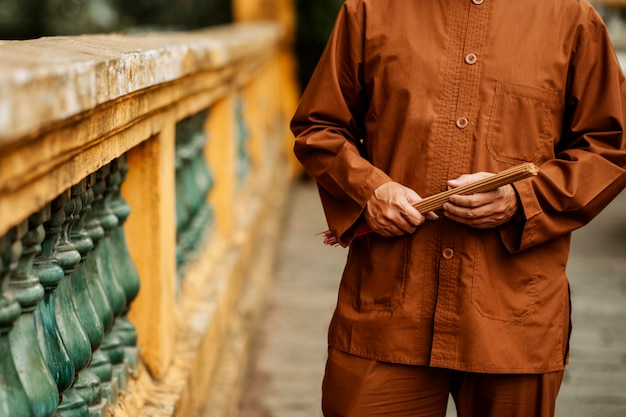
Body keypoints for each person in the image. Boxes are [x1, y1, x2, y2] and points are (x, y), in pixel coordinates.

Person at [290, 0, 626, 416]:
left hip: (513, 318)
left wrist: (521, 199)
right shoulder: (369, 11)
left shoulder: (573, 20)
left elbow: (610, 148)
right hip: (387, 313)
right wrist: (371, 190)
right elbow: (319, 128)